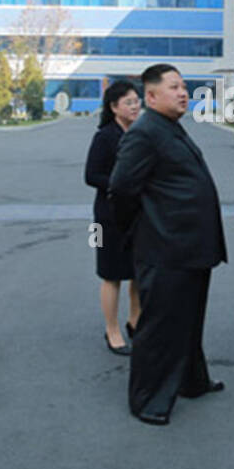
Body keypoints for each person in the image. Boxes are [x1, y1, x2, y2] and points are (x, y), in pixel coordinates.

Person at [108, 63, 227, 425]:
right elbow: (121, 190)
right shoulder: (144, 132)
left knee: (189, 320)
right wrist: (148, 227)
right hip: (166, 248)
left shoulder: (169, 127)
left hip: (191, 247)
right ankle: (147, 400)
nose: (183, 92)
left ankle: (193, 381)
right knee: (160, 327)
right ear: (152, 95)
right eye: (174, 87)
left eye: (184, 86)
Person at [85, 80, 143, 355]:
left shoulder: (141, 133)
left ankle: (135, 321)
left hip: (139, 214)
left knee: (138, 273)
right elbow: (90, 175)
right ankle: (112, 329)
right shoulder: (105, 136)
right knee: (112, 275)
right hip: (109, 217)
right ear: (114, 107)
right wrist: (121, 183)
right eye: (128, 102)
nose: (135, 106)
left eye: (137, 101)